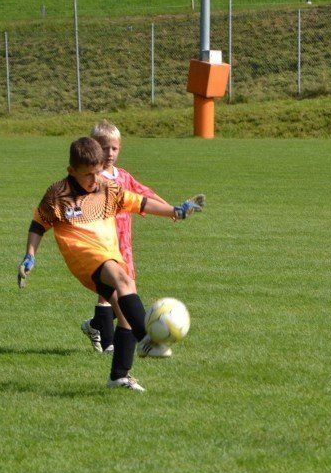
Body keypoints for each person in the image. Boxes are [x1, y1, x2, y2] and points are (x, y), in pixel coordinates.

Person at [17, 136, 203, 392]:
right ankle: (147, 339)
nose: (94, 179)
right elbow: (39, 223)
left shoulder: (107, 188)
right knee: (123, 280)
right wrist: (30, 255)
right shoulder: (58, 194)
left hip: (109, 253)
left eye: (97, 172)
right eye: (88, 175)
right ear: (71, 170)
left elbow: (140, 202)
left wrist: (175, 211)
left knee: (123, 308)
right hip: (83, 256)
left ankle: (119, 376)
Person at [81, 120, 173, 359]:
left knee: (126, 293)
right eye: (104, 148)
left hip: (125, 246)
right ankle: (109, 343)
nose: (109, 153)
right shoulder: (90, 179)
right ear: (93, 148)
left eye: (114, 148)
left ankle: (95, 325)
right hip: (103, 245)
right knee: (108, 293)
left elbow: (144, 194)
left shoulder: (123, 176)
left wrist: (169, 209)